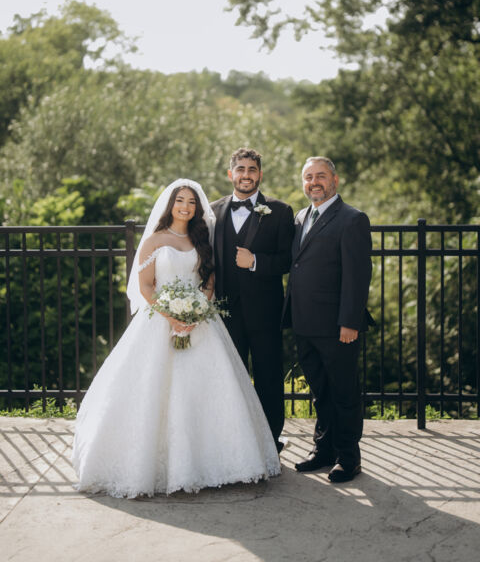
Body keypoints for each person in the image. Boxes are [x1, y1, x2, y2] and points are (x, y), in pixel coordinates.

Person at [72, 179, 280, 498]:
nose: (186, 207)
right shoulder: (154, 240)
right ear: (170, 205)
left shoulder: (201, 239)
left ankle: (217, 463)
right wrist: (171, 317)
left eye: (192, 202)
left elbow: (208, 281)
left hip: (200, 324)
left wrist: (197, 312)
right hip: (159, 322)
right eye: (180, 200)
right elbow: (146, 286)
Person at [283, 157, 373, 483]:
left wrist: (350, 321)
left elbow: (357, 277)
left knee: (344, 393)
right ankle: (323, 450)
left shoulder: (352, 219)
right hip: (304, 323)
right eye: (308, 177)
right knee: (320, 392)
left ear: (335, 180)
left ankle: (348, 458)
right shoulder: (300, 217)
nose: (314, 182)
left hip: (337, 326)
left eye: (320, 176)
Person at [211, 148, 295, 452]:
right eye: (240, 169)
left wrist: (256, 262)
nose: (246, 175)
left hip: (265, 311)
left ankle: (270, 441)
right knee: (229, 377)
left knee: (269, 376)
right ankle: (233, 440)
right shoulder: (213, 211)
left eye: (252, 169)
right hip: (224, 312)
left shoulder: (280, 211)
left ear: (260, 174)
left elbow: (288, 259)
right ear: (230, 174)